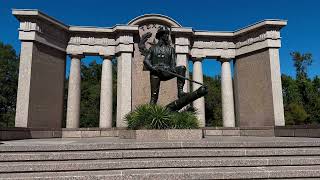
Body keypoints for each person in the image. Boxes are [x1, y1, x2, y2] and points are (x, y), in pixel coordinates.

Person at [143, 26, 187, 104]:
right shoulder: (152, 48)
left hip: (167, 71)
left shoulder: (171, 49)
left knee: (181, 68)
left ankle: (180, 91)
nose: (167, 36)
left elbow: (173, 63)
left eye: (167, 34)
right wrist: (153, 68)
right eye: (165, 34)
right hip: (155, 72)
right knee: (154, 96)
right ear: (160, 35)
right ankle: (150, 113)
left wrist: (170, 69)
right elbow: (146, 60)